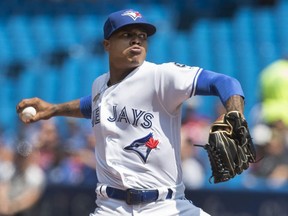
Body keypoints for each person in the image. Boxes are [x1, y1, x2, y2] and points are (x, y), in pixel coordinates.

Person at [16, 9, 247, 216]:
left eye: (142, 36)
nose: (137, 39)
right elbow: (95, 105)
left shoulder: (161, 77)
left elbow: (224, 82)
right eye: (127, 34)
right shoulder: (100, 85)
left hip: (165, 207)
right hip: (110, 207)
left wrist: (235, 116)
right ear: (107, 44)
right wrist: (54, 110)